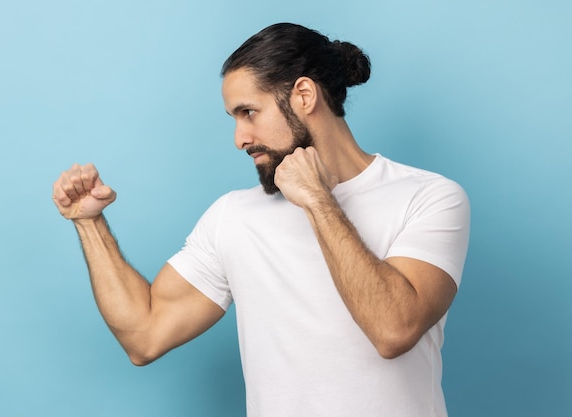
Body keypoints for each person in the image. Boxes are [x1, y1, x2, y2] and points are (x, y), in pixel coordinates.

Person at [52, 23, 470, 417]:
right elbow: (145, 336)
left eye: (248, 112)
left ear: (304, 96)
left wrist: (318, 201)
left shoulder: (428, 197)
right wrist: (90, 224)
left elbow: (393, 330)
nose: (239, 139)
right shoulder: (233, 216)